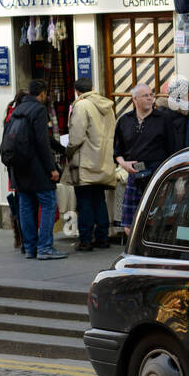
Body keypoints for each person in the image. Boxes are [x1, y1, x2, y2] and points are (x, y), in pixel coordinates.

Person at [10, 79, 66, 260]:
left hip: (18, 167)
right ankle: (45, 247)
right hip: (36, 168)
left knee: (25, 206)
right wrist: (52, 168)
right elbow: (42, 142)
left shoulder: (17, 109)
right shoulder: (39, 110)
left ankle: (30, 247)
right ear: (42, 94)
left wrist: (61, 149)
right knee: (48, 203)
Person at [114, 84, 178, 236]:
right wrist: (124, 164)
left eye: (151, 94)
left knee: (158, 221)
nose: (150, 98)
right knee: (130, 226)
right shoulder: (124, 121)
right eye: (145, 95)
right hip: (134, 176)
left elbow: (173, 150)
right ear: (135, 99)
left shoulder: (164, 119)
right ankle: (138, 253)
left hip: (158, 176)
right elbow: (116, 151)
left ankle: (154, 254)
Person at [67, 77, 116, 251]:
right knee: (99, 200)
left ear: (77, 91)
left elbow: (77, 137)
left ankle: (86, 239)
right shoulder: (107, 106)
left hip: (85, 162)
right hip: (102, 161)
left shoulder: (81, 105)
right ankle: (102, 238)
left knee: (85, 201)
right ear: (92, 88)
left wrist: (68, 150)